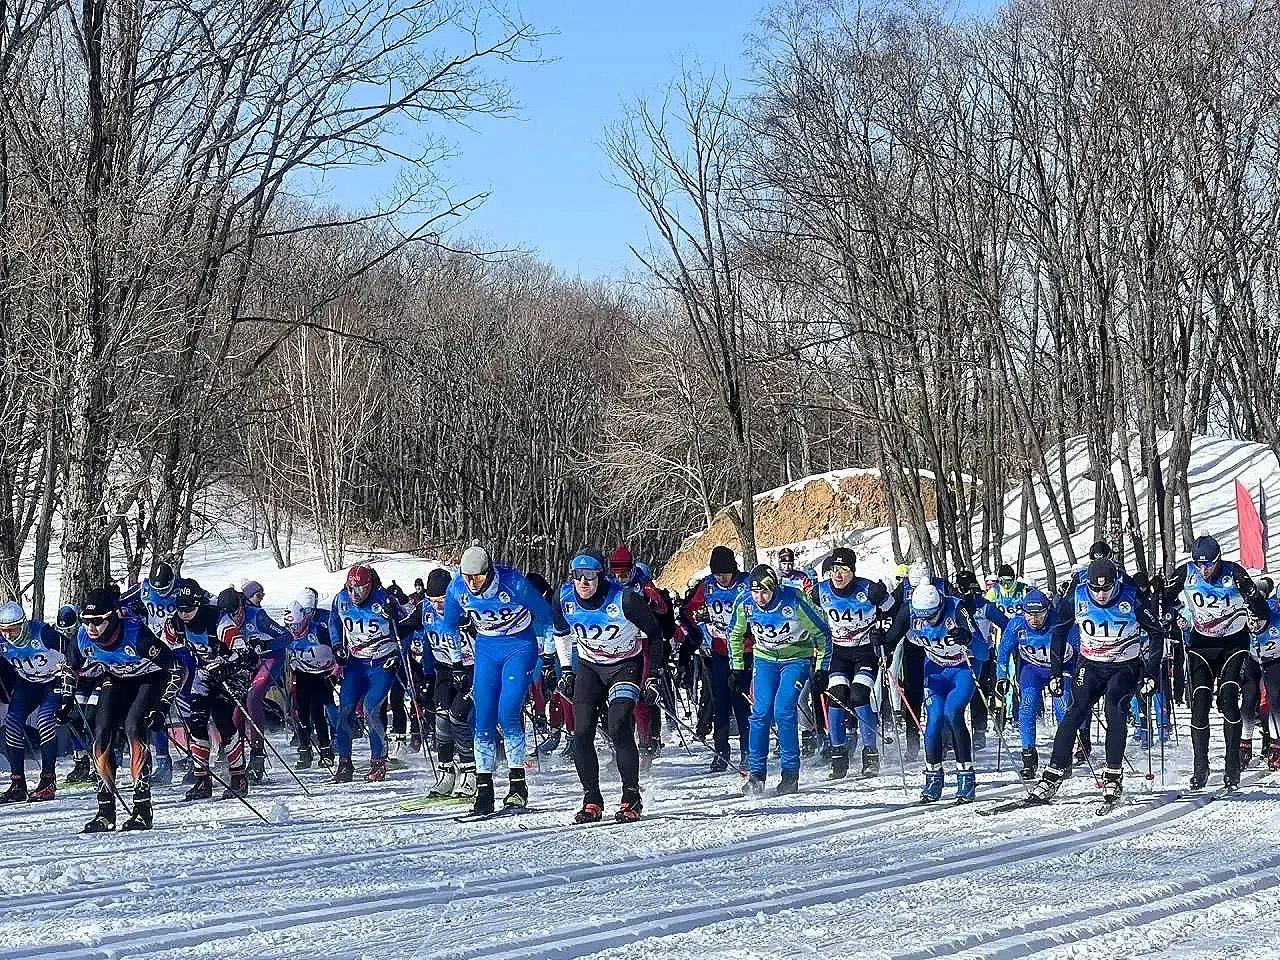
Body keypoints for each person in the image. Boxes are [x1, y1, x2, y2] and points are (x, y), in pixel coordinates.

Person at [1027, 559, 1164, 807]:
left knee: (1114, 710)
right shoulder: (1077, 594)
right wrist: (1056, 672)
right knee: (1074, 713)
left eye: (1106, 588)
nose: (1100, 595)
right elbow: (1059, 632)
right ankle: (1053, 774)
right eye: (1096, 589)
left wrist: (1151, 674)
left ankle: (1113, 774)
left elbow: (1156, 632)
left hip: (1124, 666)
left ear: (1115, 583)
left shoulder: (1131, 597)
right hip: (1089, 665)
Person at [440, 545, 553, 815]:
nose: (472, 584)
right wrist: (456, 661)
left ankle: (517, 785)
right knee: (484, 717)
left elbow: (547, 617)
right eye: (467, 577)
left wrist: (548, 657)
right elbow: (449, 625)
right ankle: (484, 788)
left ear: (489, 573)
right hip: (487, 649)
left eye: (477, 578)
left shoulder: (514, 584)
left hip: (519, 646)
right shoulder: (457, 588)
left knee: (508, 712)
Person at [554, 550, 665, 822]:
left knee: (618, 725)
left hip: (625, 665)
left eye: (590, 577)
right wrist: (567, 669)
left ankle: (631, 797)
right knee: (580, 732)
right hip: (590, 667)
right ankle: (592, 798)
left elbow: (655, 633)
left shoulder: (624, 599)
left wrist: (653, 675)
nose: (583, 583)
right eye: (577, 577)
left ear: (600, 576)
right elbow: (561, 634)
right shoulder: (564, 598)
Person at [1159, 535, 1268, 790]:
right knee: (1199, 704)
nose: (1204, 570)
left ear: (1218, 560)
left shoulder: (1234, 573)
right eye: (1199, 565)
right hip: (1202, 645)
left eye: (1209, 565)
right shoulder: (1186, 573)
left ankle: (1232, 766)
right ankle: (1201, 768)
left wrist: (1254, 604)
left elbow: (1261, 609)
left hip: (1233, 644)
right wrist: (1169, 611)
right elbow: (1163, 598)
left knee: (1229, 699)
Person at [75, 587, 182, 832]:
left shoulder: (137, 636)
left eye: (98, 621)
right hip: (117, 680)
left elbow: (176, 669)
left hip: (150, 679)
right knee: (101, 734)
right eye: (87, 621)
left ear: (112, 617)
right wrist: (66, 697)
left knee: (134, 728)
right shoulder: (82, 637)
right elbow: (72, 668)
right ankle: (105, 812)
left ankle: (142, 810)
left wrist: (163, 706)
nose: (91, 628)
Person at [730, 564, 831, 796]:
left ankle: (790, 774)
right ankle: (756, 774)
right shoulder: (745, 603)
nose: (760, 598)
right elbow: (734, 633)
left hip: (796, 658)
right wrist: (737, 668)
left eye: (765, 592)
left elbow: (823, 634)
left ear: (774, 588)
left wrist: (821, 669)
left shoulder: (794, 600)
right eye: (756, 592)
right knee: (761, 712)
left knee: (784, 710)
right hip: (764, 659)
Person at [896, 582, 985, 803]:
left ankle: (966, 777)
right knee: (934, 720)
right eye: (922, 617)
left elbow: (983, 651)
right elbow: (891, 637)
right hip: (935, 668)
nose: (926, 622)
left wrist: (968, 638)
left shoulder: (957, 609)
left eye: (932, 617)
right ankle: (933, 777)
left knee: (952, 713)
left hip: (963, 667)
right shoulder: (912, 610)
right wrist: (879, 640)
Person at [169, 584, 254, 801]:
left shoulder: (219, 621)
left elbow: (244, 654)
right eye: (179, 609)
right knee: (196, 723)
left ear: (199, 605)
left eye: (188, 609)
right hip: (204, 672)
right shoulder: (176, 623)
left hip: (232, 673)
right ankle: (202, 780)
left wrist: (226, 665)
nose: (184, 614)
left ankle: (238, 777)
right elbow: (165, 648)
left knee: (223, 719)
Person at [816, 547, 894, 779]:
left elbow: (895, 611)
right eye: (834, 570)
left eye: (844, 570)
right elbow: (807, 617)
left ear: (853, 571)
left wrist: (885, 635)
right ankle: (838, 754)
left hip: (865, 652)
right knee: (837, 695)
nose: (838, 575)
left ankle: (870, 754)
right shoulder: (820, 592)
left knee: (859, 695)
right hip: (839, 653)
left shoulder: (869, 589)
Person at [329, 563, 409, 784]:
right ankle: (345, 763)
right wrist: (337, 646)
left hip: (382, 663)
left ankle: (378, 762)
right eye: (351, 588)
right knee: (344, 711)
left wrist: (398, 654)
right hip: (356, 663)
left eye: (361, 589)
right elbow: (333, 621)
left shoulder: (384, 600)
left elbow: (409, 627)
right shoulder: (341, 599)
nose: (355, 595)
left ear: (370, 585)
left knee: (371, 709)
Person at [995, 589, 1078, 781]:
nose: (1034, 620)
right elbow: (1003, 651)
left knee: (1062, 708)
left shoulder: (1060, 622)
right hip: (1032, 668)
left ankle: (1063, 758)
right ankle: (1029, 758)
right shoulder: (1016, 625)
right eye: (1029, 614)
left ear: (1047, 611)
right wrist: (1001, 677)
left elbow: (1079, 648)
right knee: (1027, 707)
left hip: (1061, 667)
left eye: (1039, 614)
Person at [682, 546, 750, 772]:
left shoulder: (746, 584)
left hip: (746, 651)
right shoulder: (708, 585)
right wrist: (702, 633)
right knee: (720, 702)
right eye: (717, 574)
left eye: (725, 574)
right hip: (719, 652)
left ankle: (748, 750)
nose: (721, 578)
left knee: (742, 702)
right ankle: (721, 751)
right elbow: (689, 613)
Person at [415, 568, 477, 801]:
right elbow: (405, 626)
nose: (438, 605)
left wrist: (472, 627)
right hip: (444, 669)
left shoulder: (467, 606)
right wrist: (391, 617)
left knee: (457, 716)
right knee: (440, 717)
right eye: (433, 600)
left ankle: (471, 773)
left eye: (442, 600)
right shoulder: (426, 610)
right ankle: (446, 772)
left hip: (472, 669)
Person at [218, 585, 290, 782]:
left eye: (235, 613)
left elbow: (287, 637)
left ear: (241, 606)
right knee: (235, 708)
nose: (232, 619)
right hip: (248, 663)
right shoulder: (222, 621)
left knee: (253, 697)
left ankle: (257, 754)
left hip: (270, 658)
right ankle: (233, 752)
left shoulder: (257, 616)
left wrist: (265, 644)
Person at [0, 601, 69, 802]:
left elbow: (72, 650)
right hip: (27, 682)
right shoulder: (3, 642)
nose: (8, 636)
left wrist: (71, 680)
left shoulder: (43, 633)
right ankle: (17, 783)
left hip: (52, 681)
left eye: (12, 630)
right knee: (12, 723)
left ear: (23, 625)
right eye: (3, 630)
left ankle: (48, 781)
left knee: (45, 721)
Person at [284, 593, 338, 770]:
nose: (294, 629)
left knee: (317, 712)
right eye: (290, 625)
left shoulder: (318, 629)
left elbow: (338, 645)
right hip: (302, 673)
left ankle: (326, 751)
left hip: (322, 674)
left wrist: (337, 668)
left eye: (297, 625)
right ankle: (305, 750)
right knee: (301, 712)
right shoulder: (288, 635)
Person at [1246, 603, 1280, 770]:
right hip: (1253, 658)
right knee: (1249, 698)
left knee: (1274, 697)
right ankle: (1244, 743)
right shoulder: (1248, 619)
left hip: (1275, 659)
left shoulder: (1277, 619)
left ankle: (1275, 743)